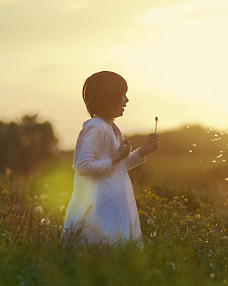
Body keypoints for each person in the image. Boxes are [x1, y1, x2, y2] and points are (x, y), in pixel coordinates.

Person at [63, 71, 160, 248]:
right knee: (100, 245)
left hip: (111, 201)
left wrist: (143, 150)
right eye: (123, 95)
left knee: (113, 247)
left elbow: (118, 166)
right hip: (98, 204)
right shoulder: (96, 127)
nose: (127, 100)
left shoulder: (111, 128)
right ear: (109, 97)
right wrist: (115, 158)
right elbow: (83, 166)